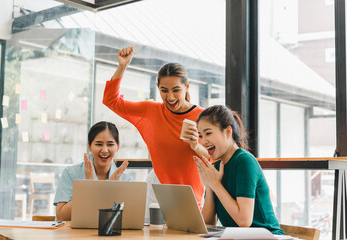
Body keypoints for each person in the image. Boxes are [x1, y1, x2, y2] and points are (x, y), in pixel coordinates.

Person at [102, 46, 209, 208]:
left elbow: (216, 159)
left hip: (192, 201)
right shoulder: (151, 111)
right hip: (159, 198)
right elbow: (111, 100)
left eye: (176, 90)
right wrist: (122, 66)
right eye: (164, 90)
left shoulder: (204, 117)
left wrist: (196, 146)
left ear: (187, 86)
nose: (170, 97)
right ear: (158, 86)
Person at [193, 105, 283, 234]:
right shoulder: (217, 167)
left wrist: (215, 184)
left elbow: (244, 221)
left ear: (228, 132)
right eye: (200, 136)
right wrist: (209, 185)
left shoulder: (244, 161)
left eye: (208, 133)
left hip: (267, 236)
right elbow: (208, 222)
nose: (203, 142)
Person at [54, 121, 131, 221]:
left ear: (118, 146)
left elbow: (125, 220)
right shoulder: (71, 173)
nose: (104, 150)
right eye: (99, 144)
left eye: (110, 144)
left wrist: (110, 188)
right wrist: (88, 187)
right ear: (89, 146)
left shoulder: (126, 180)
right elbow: (61, 216)